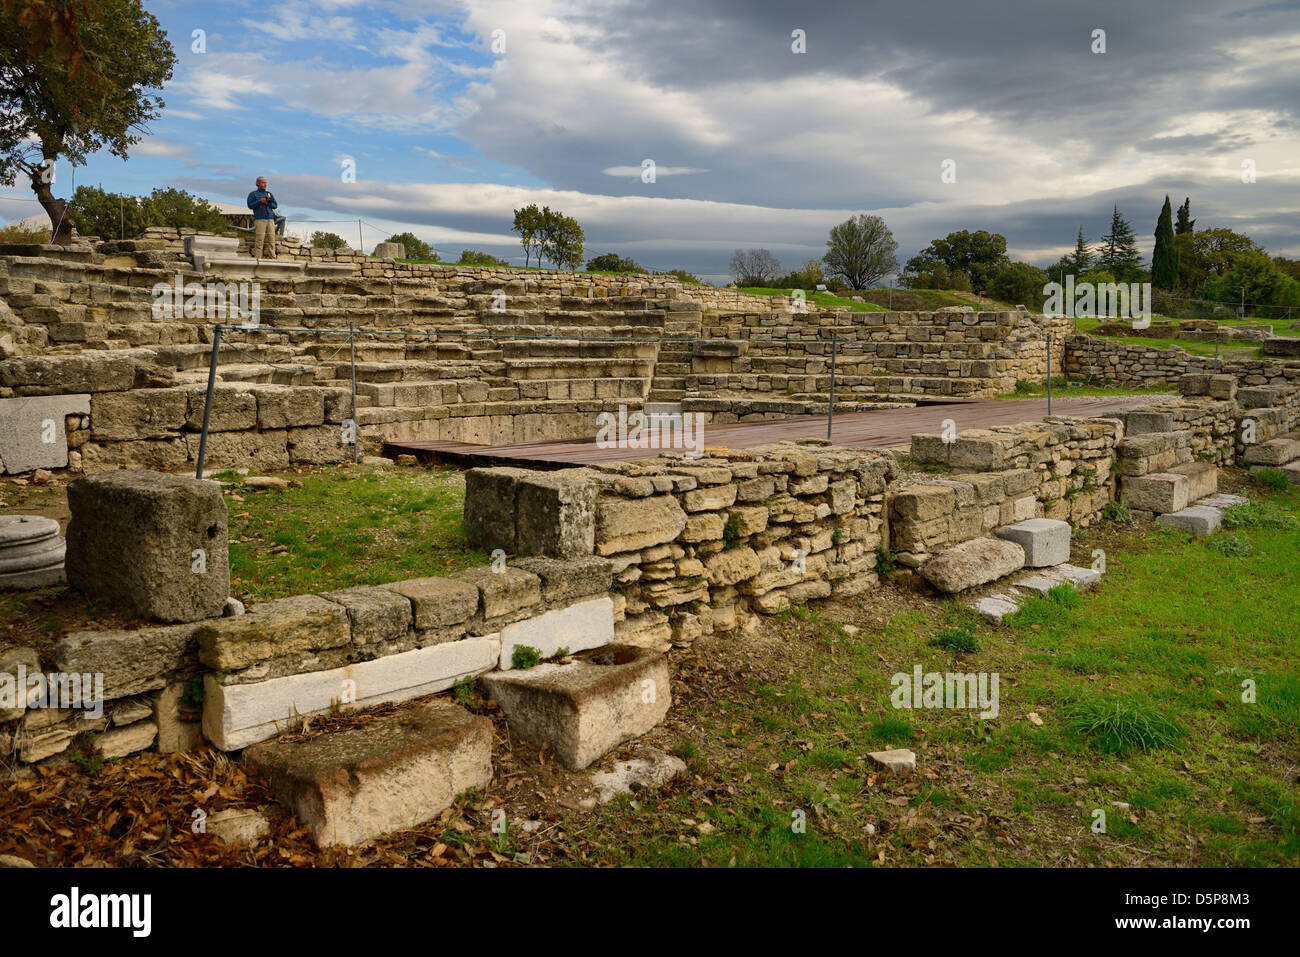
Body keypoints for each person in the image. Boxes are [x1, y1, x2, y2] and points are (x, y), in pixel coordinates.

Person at [246, 176, 278, 259]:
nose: (265, 184)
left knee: (272, 239)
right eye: (263, 183)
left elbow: (275, 205)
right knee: (259, 240)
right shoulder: (253, 194)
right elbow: (250, 205)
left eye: (265, 183)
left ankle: (273, 257)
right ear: (257, 183)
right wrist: (259, 201)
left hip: (270, 219)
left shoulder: (269, 194)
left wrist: (268, 203)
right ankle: (258, 258)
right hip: (260, 219)